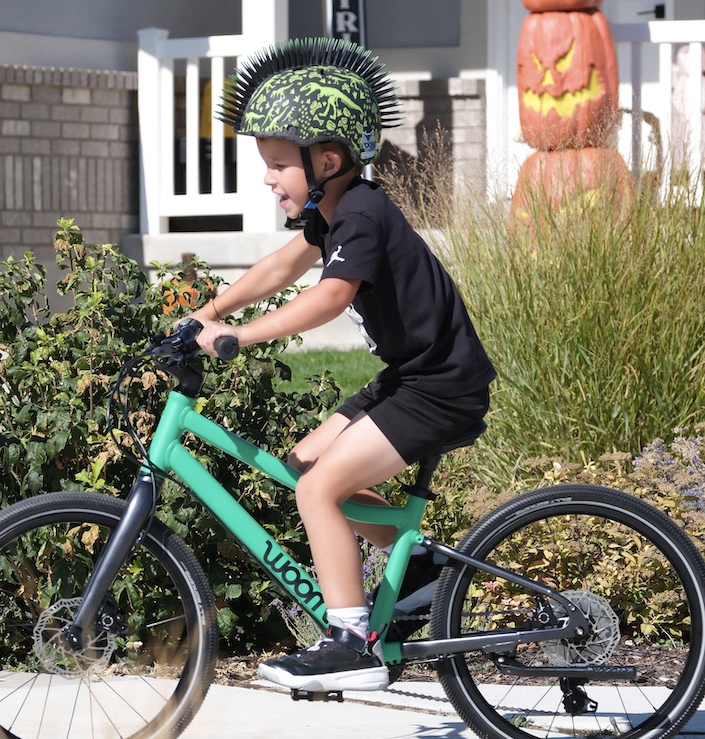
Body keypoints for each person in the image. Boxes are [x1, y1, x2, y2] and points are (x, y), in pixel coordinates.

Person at [181, 37, 496, 693]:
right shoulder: (332, 214)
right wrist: (205, 311)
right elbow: (280, 268)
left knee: (317, 491)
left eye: (275, 164)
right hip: (411, 378)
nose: (266, 178)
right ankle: (421, 572)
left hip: (440, 387)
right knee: (304, 465)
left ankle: (351, 640)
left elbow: (329, 296)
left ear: (327, 160)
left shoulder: (364, 214)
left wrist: (242, 335)